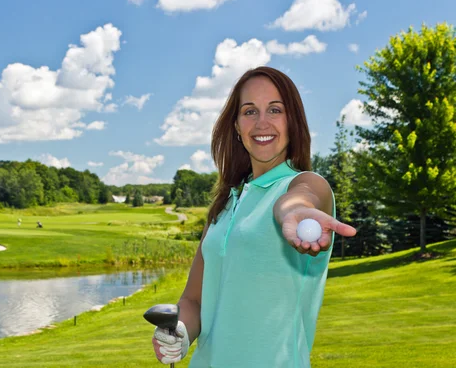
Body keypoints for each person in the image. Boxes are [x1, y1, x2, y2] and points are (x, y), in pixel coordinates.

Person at [151, 66, 357, 367]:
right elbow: (194, 300)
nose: (262, 122)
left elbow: (300, 198)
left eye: (275, 110)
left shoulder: (307, 184)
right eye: (250, 112)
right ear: (236, 125)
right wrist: (180, 331)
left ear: (293, 121)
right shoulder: (224, 205)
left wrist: (295, 211)